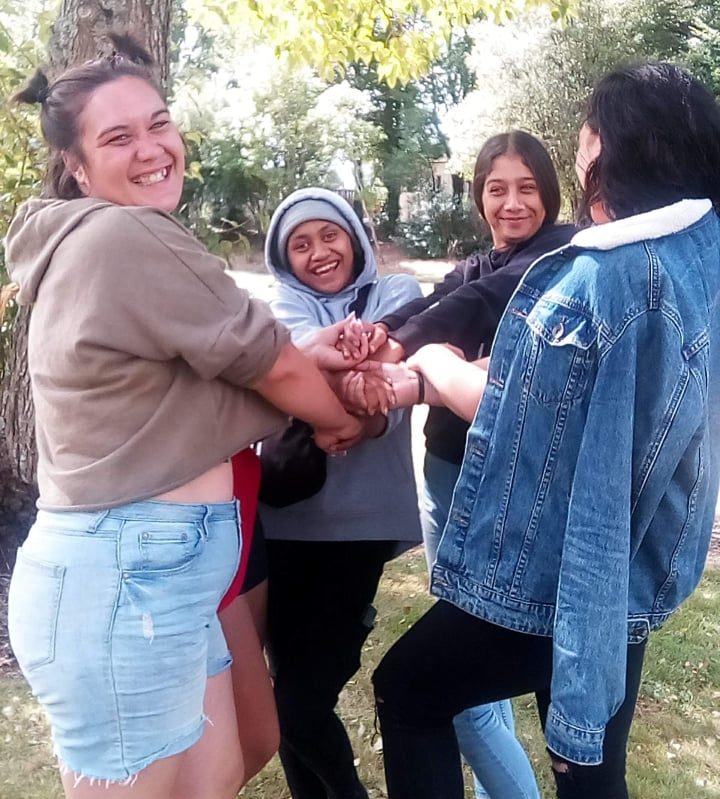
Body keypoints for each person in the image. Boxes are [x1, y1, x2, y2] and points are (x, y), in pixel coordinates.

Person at [4, 35, 361, 799]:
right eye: (118, 137)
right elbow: (275, 365)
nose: (152, 148)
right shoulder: (124, 235)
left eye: (159, 123)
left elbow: (205, 387)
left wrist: (310, 358)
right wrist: (340, 419)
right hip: (122, 575)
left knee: (215, 777)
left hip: (156, 571)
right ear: (76, 164)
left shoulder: (94, 242)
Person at [372, 61, 720, 799]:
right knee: (594, 771)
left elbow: (522, 413)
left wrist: (430, 359)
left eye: (585, 136)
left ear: (609, 151)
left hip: (566, 574)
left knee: (409, 688)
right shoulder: (702, 254)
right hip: (638, 568)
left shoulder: (608, 276)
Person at [357, 132, 575, 799]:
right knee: (476, 670)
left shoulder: (562, 256)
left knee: (457, 684)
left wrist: (398, 351)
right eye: (496, 188)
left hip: (509, 491)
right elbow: (434, 303)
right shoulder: (480, 263)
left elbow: (473, 311)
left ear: (550, 192)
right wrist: (377, 337)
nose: (511, 203)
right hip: (446, 475)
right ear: (478, 196)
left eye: (526, 187)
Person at [259, 187, 424, 799]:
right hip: (282, 524)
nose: (318, 252)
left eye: (330, 235)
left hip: (358, 527)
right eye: (300, 244)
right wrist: (351, 393)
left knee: (301, 699)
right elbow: (290, 380)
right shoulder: (276, 310)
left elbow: (394, 382)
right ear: (284, 260)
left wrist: (364, 408)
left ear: (355, 238)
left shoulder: (400, 295)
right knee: (288, 690)